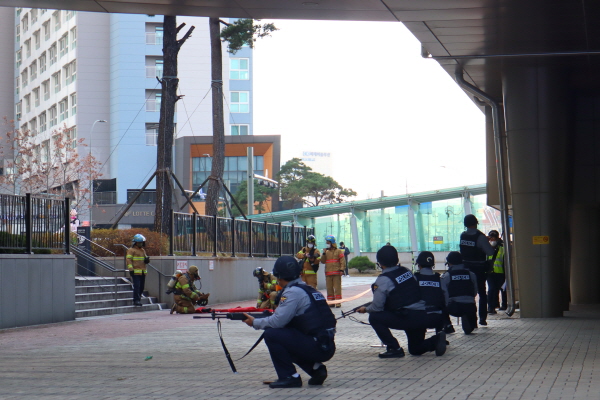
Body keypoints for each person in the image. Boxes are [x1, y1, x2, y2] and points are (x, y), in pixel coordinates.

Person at [242, 256, 337, 389]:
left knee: (272, 334)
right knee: (286, 337)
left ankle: (289, 377)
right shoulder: (309, 289)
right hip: (325, 344)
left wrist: (255, 322)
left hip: (317, 346)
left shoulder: (292, 293)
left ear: (279, 276)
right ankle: (316, 369)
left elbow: (277, 322)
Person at [357, 245, 446, 358]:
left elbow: (377, 307)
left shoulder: (383, 279)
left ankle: (394, 348)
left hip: (407, 317)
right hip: (421, 316)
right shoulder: (407, 271)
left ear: (380, 263)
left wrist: (365, 309)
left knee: (374, 317)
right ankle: (436, 340)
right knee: (415, 349)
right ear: (397, 259)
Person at [459, 214, 495, 326]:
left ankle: (471, 321)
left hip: (465, 268)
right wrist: (490, 243)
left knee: (469, 294)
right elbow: (490, 252)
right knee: (482, 294)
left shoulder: (463, 235)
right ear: (476, 223)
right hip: (478, 269)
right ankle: (482, 318)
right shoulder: (480, 237)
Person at [440, 251, 478, 334]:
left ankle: (448, 325)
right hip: (470, 306)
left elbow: (443, 293)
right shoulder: (471, 274)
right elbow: (475, 292)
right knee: (469, 329)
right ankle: (470, 321)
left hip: (454, 307)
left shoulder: (447, 276)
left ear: (449, 263)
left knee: (441, 305)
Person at [413, 251, 446, 333]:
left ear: (419, 265)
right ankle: (440, 335)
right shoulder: (439, 279)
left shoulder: (415, 279)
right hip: (438, 317)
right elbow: (446, 297)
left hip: (421, 316)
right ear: (433, 265)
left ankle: (420, 342)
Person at [320, 235, 346, 307]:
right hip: (328, 273)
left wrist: (342, 269)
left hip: (337, 273)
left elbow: (342, 261)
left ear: (332, 242)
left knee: (337, 288)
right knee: (329, 288)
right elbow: (322, 261)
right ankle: (331, 302)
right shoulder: (326, 252)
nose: (327, 243)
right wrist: (324, 253)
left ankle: (338, 302)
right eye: (326, 242)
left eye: (328, 242)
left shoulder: (338, 251)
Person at [126, 234, 150, 306]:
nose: (142, 244)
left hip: (143, 272)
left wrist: (147, 260)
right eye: (140, 242)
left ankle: (138, 299)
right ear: (136, 242)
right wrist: (131, 269)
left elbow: (145, 259)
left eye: (142, 242)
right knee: (137, 286)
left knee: (141, 287)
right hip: (135, 272)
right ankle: (136, 300)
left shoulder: (142, 250)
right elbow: (128, 260)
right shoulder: (131, 250)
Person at [486, 230, 506, 313]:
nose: (493, 240)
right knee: (492, 289)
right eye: (491, 238)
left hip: (500, 272)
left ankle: (504, 305)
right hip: (490, 273)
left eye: (494, 238)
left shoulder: (502, 248)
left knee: (502, 289)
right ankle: (491, 307)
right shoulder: (486, 247)